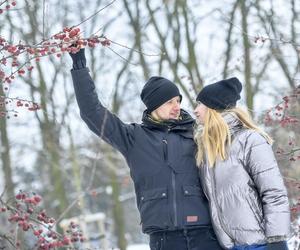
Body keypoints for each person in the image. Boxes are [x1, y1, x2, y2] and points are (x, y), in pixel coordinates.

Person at [69, 48, 223, 250]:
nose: (177, 107)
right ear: (154, 106)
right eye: (170, 102)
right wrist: (79, 64)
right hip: (164, 240)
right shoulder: (133, 138)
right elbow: (92, 112)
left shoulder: (197, 134)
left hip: (206, 235)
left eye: (178, 101)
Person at [193, 77, 291, 250]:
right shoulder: (208, 150)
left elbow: (274, 192)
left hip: (260, 244)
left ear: (213, 107)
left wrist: (277, 240)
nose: (195, 110)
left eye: (200, 104)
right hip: (230, 246)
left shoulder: (249, 140)